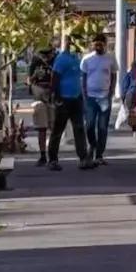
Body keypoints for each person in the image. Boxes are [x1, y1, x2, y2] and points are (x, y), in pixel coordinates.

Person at [49, 36, 93, 171]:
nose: (73, 44)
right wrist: (57, 97)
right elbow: (54, 78)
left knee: (79, 128)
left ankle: (83, 158)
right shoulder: (61, 59)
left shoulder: (76, 58)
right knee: (58, 129)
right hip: (64, 98)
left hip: (76, 98)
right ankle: (53, 160)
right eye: (70, 42)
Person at [80, 34, 117, 165]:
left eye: (100, 44)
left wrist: (111, 91)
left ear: (105, 44)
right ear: (92, 45)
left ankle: (99, 154)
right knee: (89, 125)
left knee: (102, 127)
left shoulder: (111, 58)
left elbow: (114, 75)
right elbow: (83, 77)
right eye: (95, 44)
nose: (97, 46)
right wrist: (84, 93)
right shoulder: (87, 59)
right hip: (90, 97)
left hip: (104, 97)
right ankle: (93, 145)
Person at [27, 44, 57, 166]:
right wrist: (35, 75)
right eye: (43, 54)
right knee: (41, 128)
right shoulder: (35, 61)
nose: (45, 57)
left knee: (53, 128)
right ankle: (43, 155)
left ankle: (53, 156)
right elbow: (29, 80)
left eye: (47, 54)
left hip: (52, 96)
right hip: (39, 97)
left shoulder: (55, 60)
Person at [117, 60, 136, 135]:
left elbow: (124, 87)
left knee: (132, 112)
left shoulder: (129, 74)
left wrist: (123, 99)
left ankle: (135, 131)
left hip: (130, 94)